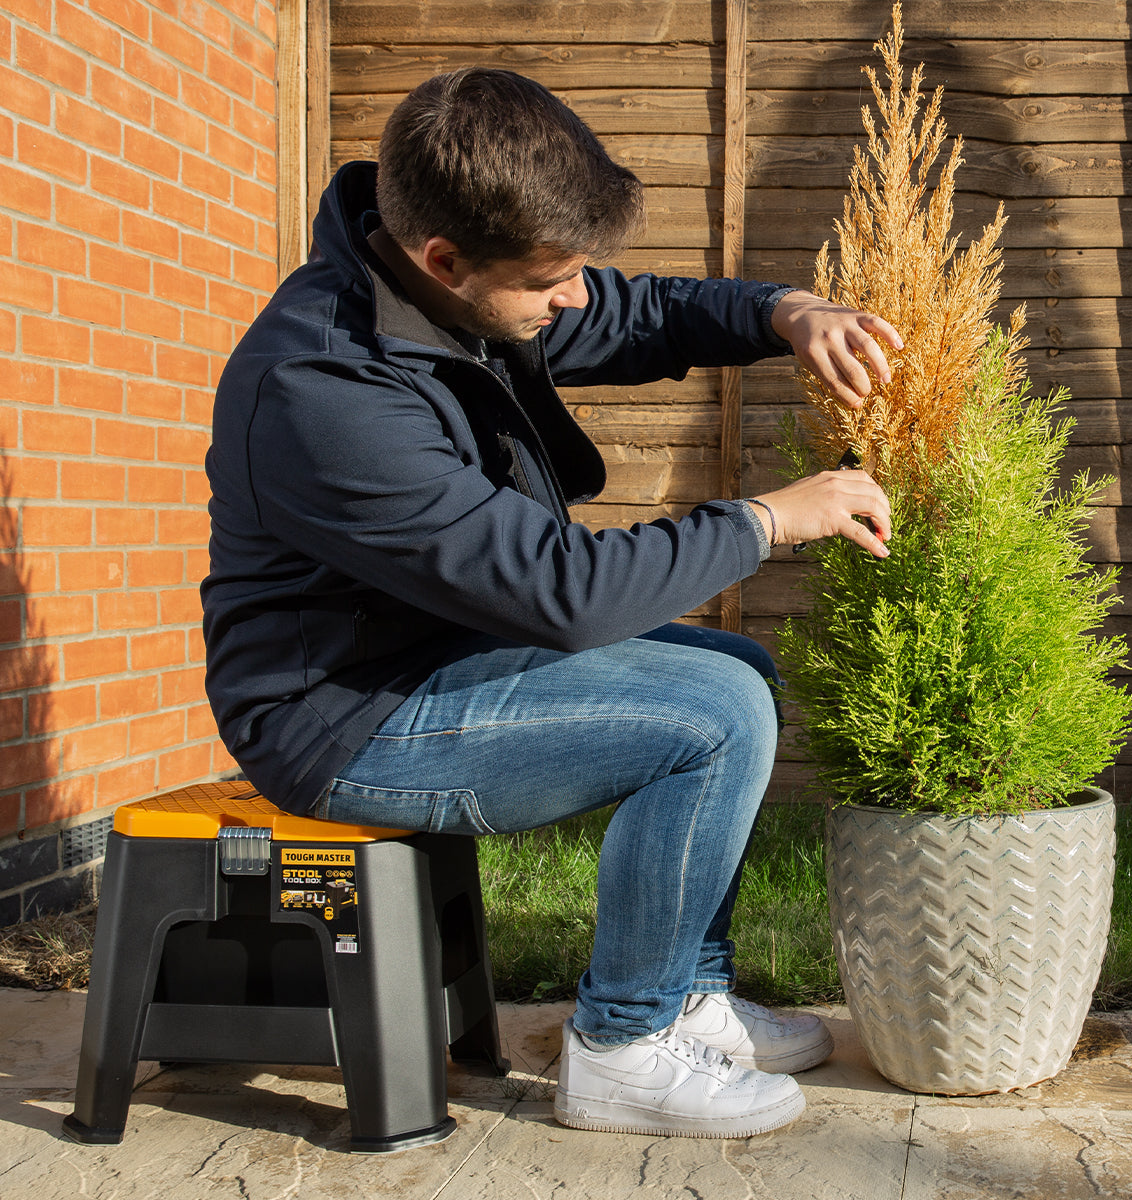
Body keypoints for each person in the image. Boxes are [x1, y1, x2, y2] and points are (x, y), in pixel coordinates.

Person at [201, 67, 900, 1141]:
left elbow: (644, 313)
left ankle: (684, 993)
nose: (573, 298)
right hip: (340, 718)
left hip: (435, 652)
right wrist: (769, 520)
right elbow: (562, 593)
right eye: (552, 280)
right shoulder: (326, 390)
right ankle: (621, 1050)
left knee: (741, 674)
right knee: (712, 716)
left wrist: (787, 311)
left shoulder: (450, 297)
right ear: (447, 260)